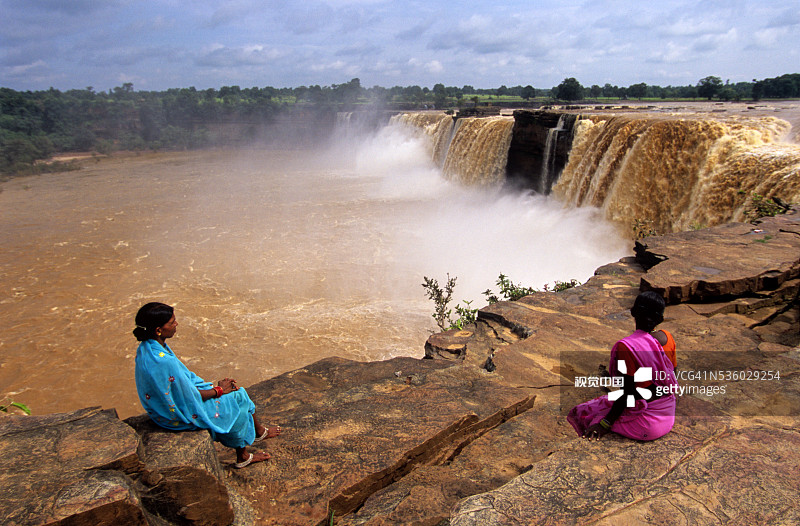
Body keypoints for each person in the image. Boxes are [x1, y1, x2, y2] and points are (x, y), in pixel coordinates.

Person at [133, 302, 280, 468]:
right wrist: (218, 391)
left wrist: (211, 388)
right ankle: (243, 456)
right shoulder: (164, 360)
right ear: (158, 330)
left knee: (234, 395)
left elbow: (179, 382)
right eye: (172, 322)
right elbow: (188, 396)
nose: (176, 324)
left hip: (159, 413)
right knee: (237, 399)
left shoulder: (146, 348)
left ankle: (259, 432)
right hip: (175, 416)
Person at [568, 291, 678, 441]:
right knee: (604, 401)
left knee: (586, 413)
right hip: (668, 414)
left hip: (646, 425)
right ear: (660, 318)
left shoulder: (627, 347)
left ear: (633, 312)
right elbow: (672, 375)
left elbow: (628, 394)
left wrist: (604, 424)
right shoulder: (667, 337)